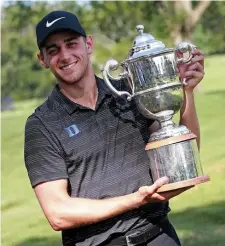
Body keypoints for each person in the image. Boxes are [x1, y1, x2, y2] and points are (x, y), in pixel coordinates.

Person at [24, 10, 205, 246]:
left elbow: (180, 163)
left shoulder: (130, 92)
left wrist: (186, 91)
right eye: (53, 50)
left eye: (71, 44)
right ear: (43, 60)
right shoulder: (42, 124)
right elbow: (58, 212)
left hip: (159, 236)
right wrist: (135, 200)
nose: (65, 55)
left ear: (88, 44)